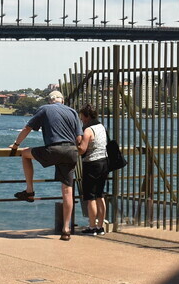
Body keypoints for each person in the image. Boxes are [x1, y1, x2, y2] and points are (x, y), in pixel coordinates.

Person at [8, 90, 82, 241]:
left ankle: (29, 191)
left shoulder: (45, 109)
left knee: (25, 153)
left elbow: (27, 128)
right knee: (67, 191)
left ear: (50, 100)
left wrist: (16, 144)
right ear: (62, 100)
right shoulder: (73, 112)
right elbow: (79, 138)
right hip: (71, 151)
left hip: (53, 149)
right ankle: (66, 229)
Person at [77, 104, 109, 236]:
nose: (81, 119)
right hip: (104, 162)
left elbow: (82, 150)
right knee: (100, 195)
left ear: (87, 116)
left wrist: (75, 144)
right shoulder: (101, 126)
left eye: (82, 117)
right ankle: (100, 226)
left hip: (92, 164)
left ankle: (92, 227)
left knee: (90, 197)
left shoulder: (88, 130)